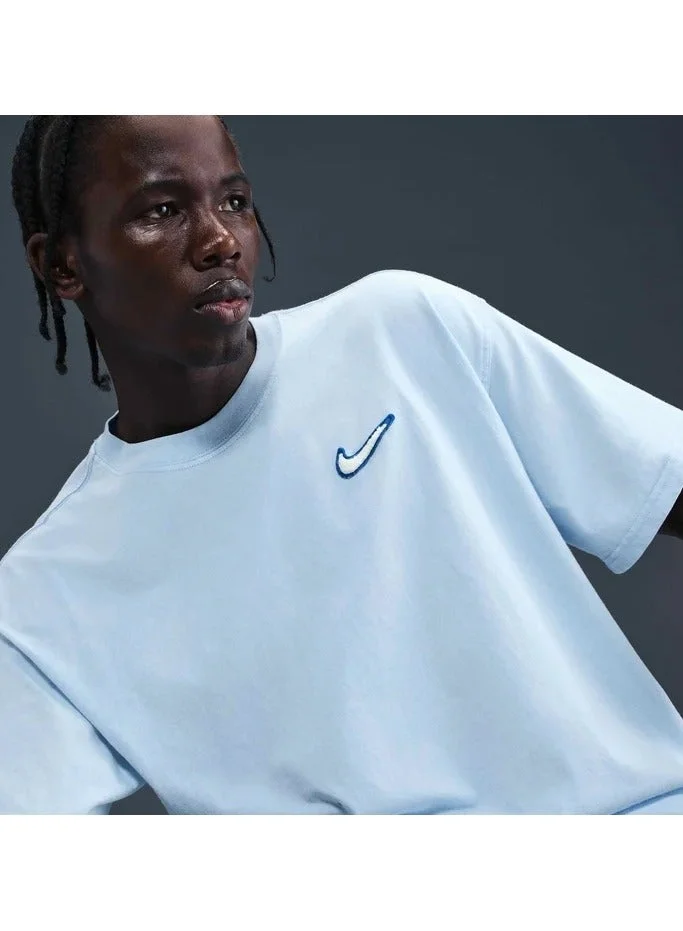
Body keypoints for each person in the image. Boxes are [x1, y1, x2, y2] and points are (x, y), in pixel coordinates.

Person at [3, 115, 683, 816]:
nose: (220, 240)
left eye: (234, 201)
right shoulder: (44, 593)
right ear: (62, 264)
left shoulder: (403, 330)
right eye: (163, 210)